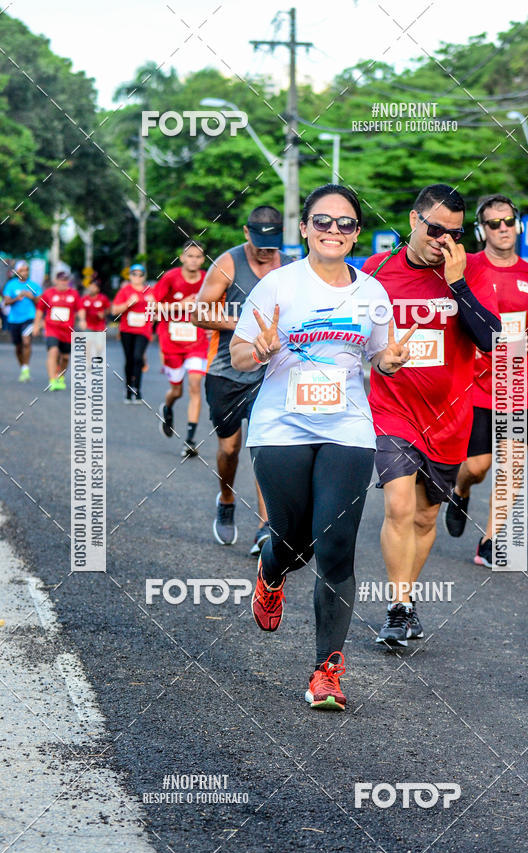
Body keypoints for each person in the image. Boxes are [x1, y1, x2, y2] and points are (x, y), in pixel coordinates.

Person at [230, 184, 415, 711]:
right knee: (293, 542)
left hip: (348, 430)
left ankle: (326, 670)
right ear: (305, 228)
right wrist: (259, 348)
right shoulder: (278, 285)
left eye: (345, 223)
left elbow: (380, 356)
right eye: (323, 221)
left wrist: (389, 362)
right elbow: (239, 354)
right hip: (281, 428)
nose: (334, 230)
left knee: (334, 545)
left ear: (356, 234)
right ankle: (271, 570)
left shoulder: (372, 293)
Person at [363, 184, 501, 648]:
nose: (444, 241)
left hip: (450, 417)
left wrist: (458, 284)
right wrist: (379, 360)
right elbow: (353, 336)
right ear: (413, 220)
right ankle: (398, 608)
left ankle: (408, 602)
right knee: (399, 506)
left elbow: (491, 339)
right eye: (436, 229)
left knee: (424, 519)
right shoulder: (375, 270)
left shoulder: (469, 270)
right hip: (394, 409)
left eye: (454, 234)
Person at [444, 194, 528, 565]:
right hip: (473, 384)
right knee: (477, 466)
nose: (503, 229)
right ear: (481, 230)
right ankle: (460, 490)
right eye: (494, 223)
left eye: (508, 222)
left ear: (517, 224)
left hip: (516, 386)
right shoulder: (468, 265)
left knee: (511, 469)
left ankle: (490, 541)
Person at [194, 207, 292, 553]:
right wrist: (245, 326)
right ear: (247, 233)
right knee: (229, 449)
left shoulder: (290, 266)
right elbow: (199, 312)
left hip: (269, 372)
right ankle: (226, 498)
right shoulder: (228, 263)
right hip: (226, 371)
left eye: (273, 243)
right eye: (260, 243)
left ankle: (266, 527)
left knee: (264, 447)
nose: (266, 251)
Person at [151, 241, 209, 457]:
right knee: (177, 391)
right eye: (190, 256)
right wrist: (180, 305)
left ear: (203, 260)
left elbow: (216, 304)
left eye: (198, 256)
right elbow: (153, 306)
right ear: (182, 257)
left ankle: (190, 440)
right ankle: (167, 408)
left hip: (197, 341)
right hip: (172, 341)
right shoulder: (170, 277)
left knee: (195, 385)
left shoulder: (207, 279)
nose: (193, 260)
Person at [33, 266, 85, 390]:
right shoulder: (48, 293)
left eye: (65, 280)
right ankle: (52, 380)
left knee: (65, 357)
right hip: (52, 329)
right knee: (53, 351)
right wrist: (36, 325)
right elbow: (40, 309)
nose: (63, 282)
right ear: (56, 281)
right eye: (61, 280)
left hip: (67, 330)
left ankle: (60, 377)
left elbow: (80, 308)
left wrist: (83, 320)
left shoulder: (74, 294)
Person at [112, 264, 154, 403]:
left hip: (143, 330)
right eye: (134, 274)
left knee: (138, 358)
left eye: (140, 274)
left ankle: (137, 389)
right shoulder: (125, 290)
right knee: (129, 359)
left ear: (144, 276)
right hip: (127, 330)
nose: (137, 277)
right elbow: (114, 310)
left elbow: (158, 310)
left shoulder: (150, 291)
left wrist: (153, 305)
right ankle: (128, 389)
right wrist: (128, 304)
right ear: (130, 276)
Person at [3, 260, 43, 382]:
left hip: (29, 318)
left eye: (27, 270)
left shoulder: (33, 285)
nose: (25, 272)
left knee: (26, 342)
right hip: (14, 319)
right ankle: (23, 368)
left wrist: (32, 297)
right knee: (18, 346)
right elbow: (6, 302)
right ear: (17, 272)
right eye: (22, 270)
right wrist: (17, 298)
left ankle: (26, 368)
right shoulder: (11, 285)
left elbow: (41, 303)